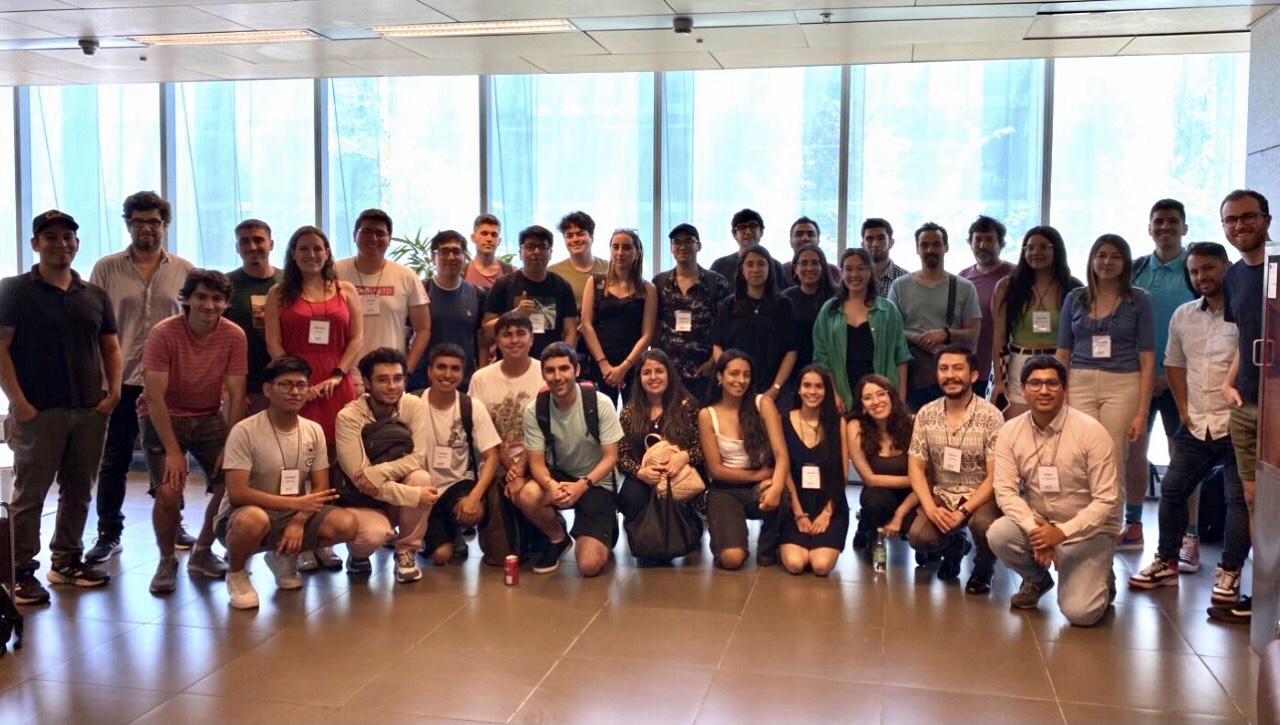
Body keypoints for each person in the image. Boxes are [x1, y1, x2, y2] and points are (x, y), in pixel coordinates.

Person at [0, 210, 120, 604]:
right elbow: (1, 348)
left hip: (88, 410)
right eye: (50, 237)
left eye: (68, 237)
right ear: (35, 244)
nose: (61, 244)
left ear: (77, 244)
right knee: (30, 495)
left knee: (79, 490)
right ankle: (19, 572)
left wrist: (113, 392)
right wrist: (18, 403)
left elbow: (110, 347)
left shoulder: (94, 295)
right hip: (38, 412)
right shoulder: (14, 290)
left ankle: (67, 561)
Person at [1130, 243, 1250, 602]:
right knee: (1172, 491)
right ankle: (1166, 561)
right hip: (1197, 423)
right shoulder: (1184, 315)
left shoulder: (1245, 312)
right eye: (1195, 272)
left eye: (1209, 268)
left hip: (1237, 424)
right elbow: (1174, 363)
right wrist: (1183, 408)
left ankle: (1231, 571)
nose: (1201, 277)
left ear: (1226, 267)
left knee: (1237, 500)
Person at [87, 191, 195, 565]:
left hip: (167, 382)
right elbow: (95, 325)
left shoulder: (184, 269)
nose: (146, 228)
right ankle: (108, 532)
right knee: (113, 459)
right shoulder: (106, 268)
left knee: (168, 457)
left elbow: (192, 326)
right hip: (119, 379)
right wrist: (101, 380)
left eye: (153, 221)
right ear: (128, 224)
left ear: (165, 225)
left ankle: (174, 524)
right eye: (138, 221)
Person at [215, 355, 360, 610]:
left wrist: (298, 520)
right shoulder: (245, 431)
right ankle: (236, 573)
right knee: (253, 520)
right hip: (244, 514)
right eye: (285, 385)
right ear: (267, 389)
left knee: (346, 524)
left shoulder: (313, 429)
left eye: (301, 385)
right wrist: (295, 504)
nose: (295, 392)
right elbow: (237, 493)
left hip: (293, 512)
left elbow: (321, 487)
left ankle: (282, 555)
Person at [988, 355, 1120, 625]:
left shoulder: (1091, 432)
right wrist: (1037, 532)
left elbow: (1107, 500)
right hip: (1041, 522)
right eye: (1035, 383)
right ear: (1023, 389)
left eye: (1052, 383)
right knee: (999, 534)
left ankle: (1104, 575)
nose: (1044, 390)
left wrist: (1061, 533)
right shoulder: (1010, 431)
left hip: (1088, 531)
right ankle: (1036, 579)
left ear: (1064, 388)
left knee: (1080, 614)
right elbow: (1005, 492)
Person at [265, 225, 364, 571]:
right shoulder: (279, 293)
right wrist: (296, 384)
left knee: (334, 463)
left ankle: (325, 540)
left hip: (337, 385)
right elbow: (274, 344)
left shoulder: (345, 289)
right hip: (295, 389)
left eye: (317, 248)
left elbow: (357, 339)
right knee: (296, 461)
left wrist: (337, 374)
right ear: (293, 254)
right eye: (304, 248)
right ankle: (300, 540)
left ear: (327, 252)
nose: (311, 254)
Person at [141, 269, 246, 594]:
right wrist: (173, 452)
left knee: (231, 484)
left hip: (207, 415)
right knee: (169, 492)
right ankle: (166, 559)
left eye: (217, 299)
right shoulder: (164, 333)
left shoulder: (234, 335)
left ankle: (202, 550)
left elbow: (237, 394)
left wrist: (230, 445)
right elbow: (154, 397)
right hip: (163, 415)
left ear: (226, 303)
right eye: (201, 297)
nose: (208, 305)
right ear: (187, 299)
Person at [1054, 234, 1154, 550]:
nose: (1107, 262)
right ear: (1092, 259)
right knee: (1079, 457)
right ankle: (1080, 530)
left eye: (1115, 256)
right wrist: (1060, 395)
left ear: (1125, 262)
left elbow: (1147, 359)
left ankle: (1106, 538)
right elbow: (1062, 352)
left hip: (1123, 384)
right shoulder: (1075, 298)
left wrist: (1142, 412)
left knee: (1111, 460)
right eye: (1101, 255)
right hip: (1079, 382)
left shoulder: (1139, 300)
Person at [1126, 199, 1199, 568]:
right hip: (1137, 378)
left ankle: (1190, 535)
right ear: (1149, 227)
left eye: (1173, 221)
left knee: (1183, 459)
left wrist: (1170, 378)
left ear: (1184, 228)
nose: (1165, 227)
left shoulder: (1194, 269)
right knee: (1133, 451)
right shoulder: (1136, 269)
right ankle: (1133, 524)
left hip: (1183, 382)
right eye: (1159, 221)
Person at [517, 343, 624, 577]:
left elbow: (610, 458)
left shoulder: (600, 403)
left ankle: (604, 524)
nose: (557, 377)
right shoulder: (535, 410)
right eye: (550, 370)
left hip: (597, 481)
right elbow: (536, 463)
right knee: (528, 495)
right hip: (560, 476)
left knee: (589, 565)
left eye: (564, 369)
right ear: (543, 374)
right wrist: (550, 485)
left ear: (576, 370)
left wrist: (581, 486)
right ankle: (558, 537)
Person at [1215, 188, 1272, 625]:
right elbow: (1245, 336)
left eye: (1248, 217)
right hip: (1247, 404)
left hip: (1277, 405)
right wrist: (1229, 381)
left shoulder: (1278, 267)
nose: (1240, 226)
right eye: (1231, 220)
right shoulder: (1234, 276)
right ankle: (1265, 594)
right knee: (1253, 499)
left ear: (1267, 219)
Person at [906, 344, 1005, 594]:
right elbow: (915, 467)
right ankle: (955, 544)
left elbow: (995, 476)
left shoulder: (991, 416)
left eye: (958, 368)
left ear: (973, 375)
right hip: (944, 491)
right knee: (919, 537)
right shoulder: (926, 414)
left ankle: (983, 568)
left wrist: (963, 511)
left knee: (984, 527)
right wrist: (930, 509)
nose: (950, 375)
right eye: (944, 369)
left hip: (982, 494)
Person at [334, 347, 437, 583]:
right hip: (361, 498)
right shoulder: (348, 417)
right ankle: (358, 555)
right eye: (383, 380)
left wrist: (378, 472)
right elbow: (359, 479)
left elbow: (417, 456)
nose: (392, 386)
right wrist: (413, 496)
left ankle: (406, 551)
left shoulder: (414, 405)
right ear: (367, 383)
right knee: (373, 536)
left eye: (398, 379)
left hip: (390, 490)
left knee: (421, 478)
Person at [697, 351, 789, 570]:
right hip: (724, 490)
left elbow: (781, 454)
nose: (741, 380)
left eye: (746, 375)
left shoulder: (763, 403)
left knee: (782, 494)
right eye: (734, 373)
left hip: (760, 486)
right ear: (720, 376)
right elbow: (716, 470)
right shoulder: (707, 414)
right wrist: (758, 474)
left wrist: (776, 487)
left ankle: (768, 547)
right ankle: (730, 538)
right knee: (732, 559)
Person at [615, 349, 704, 565]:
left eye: (659, 371)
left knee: (680, 497)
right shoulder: (629, 412)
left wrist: (684, 457)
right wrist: (640, 472)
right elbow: (621, 455)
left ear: (669, 374)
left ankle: (686, 531)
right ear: (639, 378)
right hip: (646, 477)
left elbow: (703, 448)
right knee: (630, 496)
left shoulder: (688, 407)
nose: (653, 377)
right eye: (646, 372)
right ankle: (645, 539)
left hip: (681, 475)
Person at [416, 344, 502, 566]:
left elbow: (492, 456)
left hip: (457, 484)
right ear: (429, 371)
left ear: (463, 374)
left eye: (455, 369)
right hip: (420, 487)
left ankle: (455, 528)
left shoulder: (471, 407)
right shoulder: (411, 404)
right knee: (441, 556)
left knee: (472, 512)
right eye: (441, 367)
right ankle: (426, 534)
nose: (447, 374)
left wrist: (475, 496)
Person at [991, 227, 1082, 420]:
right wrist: (999, 381)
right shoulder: (1008, 286)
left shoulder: (1072, 287)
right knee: (1016, 426)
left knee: (1057, 425)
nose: (1035, 253)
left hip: (1059, 362)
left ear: (1056, 249)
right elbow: (999, 338)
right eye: (1030, 248)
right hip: (1019, 362)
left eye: (1043, 247)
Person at [889, 222, 982, 410]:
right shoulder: (899, 286)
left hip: (952, 377)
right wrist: (916, 337)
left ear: (946, 247)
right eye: (924, 245)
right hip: (911, 377)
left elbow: (973, 334)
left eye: (936, 244)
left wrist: (945, 333)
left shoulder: (964, 287)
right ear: (917, 249)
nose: (930, 250)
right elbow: (890, 330)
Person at [812, 247, 912, 414]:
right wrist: (834, 395)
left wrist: (900, 400)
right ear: (842, 272)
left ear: (870, 271)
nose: (854, 274)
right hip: (842, 396)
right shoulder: (829, 310)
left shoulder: (888, 310)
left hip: (882, 397)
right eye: (848, 269)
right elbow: (821, 360)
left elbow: (901, 357)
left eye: (860, 268)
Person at [334, 208, 430, 380]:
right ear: (355, 235)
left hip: (389, 376)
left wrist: (406, 371)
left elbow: (423, 329)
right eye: (367, 232)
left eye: (380, 233)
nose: (373, 238)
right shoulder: (334, 273)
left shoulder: (406, 277)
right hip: (343, 373)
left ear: (389, 239)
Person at [778, 366, 849, 576]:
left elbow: (842, 474)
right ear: (798, 390)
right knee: (795, 564)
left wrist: (827, 513)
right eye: (807, 385)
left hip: (829, 501)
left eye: (819, 386)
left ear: (827, 391)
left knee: (820, 566)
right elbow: (784, 472)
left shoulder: (838, 423)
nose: (812, 391)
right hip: (795, 503)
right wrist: (799, 514)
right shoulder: (783, 420)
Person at [653, 223, 731, 404]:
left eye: (689, 241)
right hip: (668, 375)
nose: (683, 246)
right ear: (671, 248)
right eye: (677, 242)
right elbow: (653, 325)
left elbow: (725, 328)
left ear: (699, 245)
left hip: (704, 374)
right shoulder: (660, 282)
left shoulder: (716, 283)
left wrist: (713, 363)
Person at [580, 228, 657, 404]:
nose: (620, 252)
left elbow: (647, 335)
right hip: (599, 365)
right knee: (599, 417)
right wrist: (604, 365)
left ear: (637, 253)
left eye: (627, 247)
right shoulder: (595, 282)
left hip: (633, 366)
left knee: (635, 416)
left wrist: (623, 368)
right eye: (615, 247)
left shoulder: (647, 289)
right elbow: (586, 325)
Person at [711, 244, 798, 400]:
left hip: (774, 389)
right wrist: (729, 377)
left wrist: (775, 388)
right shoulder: (728, 305)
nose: (755, 269)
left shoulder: (784, 305)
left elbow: (791, 351)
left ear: (769, 268)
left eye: (761, 264)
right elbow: (717, 346)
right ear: (742, 270)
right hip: (735, 386)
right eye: (750, 264)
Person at [482, 225, 579, 359]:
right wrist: (515, 314)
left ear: (550, 253)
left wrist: (564, 360)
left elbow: (570, 332)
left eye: (543, 247)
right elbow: (487, 331)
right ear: (520, 253)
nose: (537, 251)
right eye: (530, 246)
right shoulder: (502, 285)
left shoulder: (562, 287)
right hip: (511, 364)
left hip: (550, 365)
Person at [408, 230, 486, 392]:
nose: (451, 257)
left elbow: (481, 339)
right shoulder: (420, 290)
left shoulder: (477, 294)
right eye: (444, 251)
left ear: (465, 257)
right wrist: (405, 371)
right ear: (433, 257)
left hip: (463, 381)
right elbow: (406, 334)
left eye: (456, 252)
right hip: (422, 380)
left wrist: (482, 374)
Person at [847, 375, 916, 552]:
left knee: (918, 534)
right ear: (862, 406)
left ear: (891, 396)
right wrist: (913, 480)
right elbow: (869, 479)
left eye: (881, 394)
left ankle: (953, 545)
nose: (876, 402)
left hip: (912, 495)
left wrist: (900, 514)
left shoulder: (913, 423)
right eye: (868, 398)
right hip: (878, 493)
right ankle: (869, 532)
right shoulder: (855, 427)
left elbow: (926, 480)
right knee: (875, 500)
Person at [225, 219, 283, 416]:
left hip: (282, 379)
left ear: (271, 244)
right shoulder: (225, 285)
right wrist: (227, 387)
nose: (252, 247)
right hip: (241, 383)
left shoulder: (289, 282)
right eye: (244, 241)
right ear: (237, 247)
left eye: (258, 240)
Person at [958, 215, 1016, 398]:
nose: (982, 245)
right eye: (978, 240)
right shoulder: (963, 278)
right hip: (972, 367)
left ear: (1001, 244)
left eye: (989, 240)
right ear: (970, 243)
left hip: (1007, 368)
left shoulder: (1015, 276)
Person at [781, 243, 837, 398]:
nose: (809, 268)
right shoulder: (785, 299)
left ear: (823, 267)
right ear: (795, 268)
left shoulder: (837, 298)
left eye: (815, 263)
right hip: (794, 374)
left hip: (832, 372)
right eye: (804, 263)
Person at [548, 210, 609, 313]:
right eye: (569, 236)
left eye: (580, 234)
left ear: (592, 237)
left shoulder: (609, 268)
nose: (575, 239)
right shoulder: (552, 273)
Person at [710, 209, 786, 283]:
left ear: (761, 232)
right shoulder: (719, 266)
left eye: (753, 226)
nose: (748, 232)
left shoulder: (775, 267)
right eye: (742, 228)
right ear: (734, 234)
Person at [780, 217, 839, 286]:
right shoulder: (781, 271)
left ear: (818, 240)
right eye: (799, 234)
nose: (805, 238)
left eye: (810, 234)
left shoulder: (833, 271)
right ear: (790, 241)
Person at [464, 213, 514, 289]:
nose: (489, 239)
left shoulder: (511, 273)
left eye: (494, 235)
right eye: (484, 234)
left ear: (499, 241)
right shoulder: (462, 274)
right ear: (473, 238)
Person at [861, 217, 908, 295]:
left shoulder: (905, 279)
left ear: (891, 243)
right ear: (863, 245)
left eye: (881, 238)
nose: (875, 244)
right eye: (869, 239)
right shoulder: (856, 278)